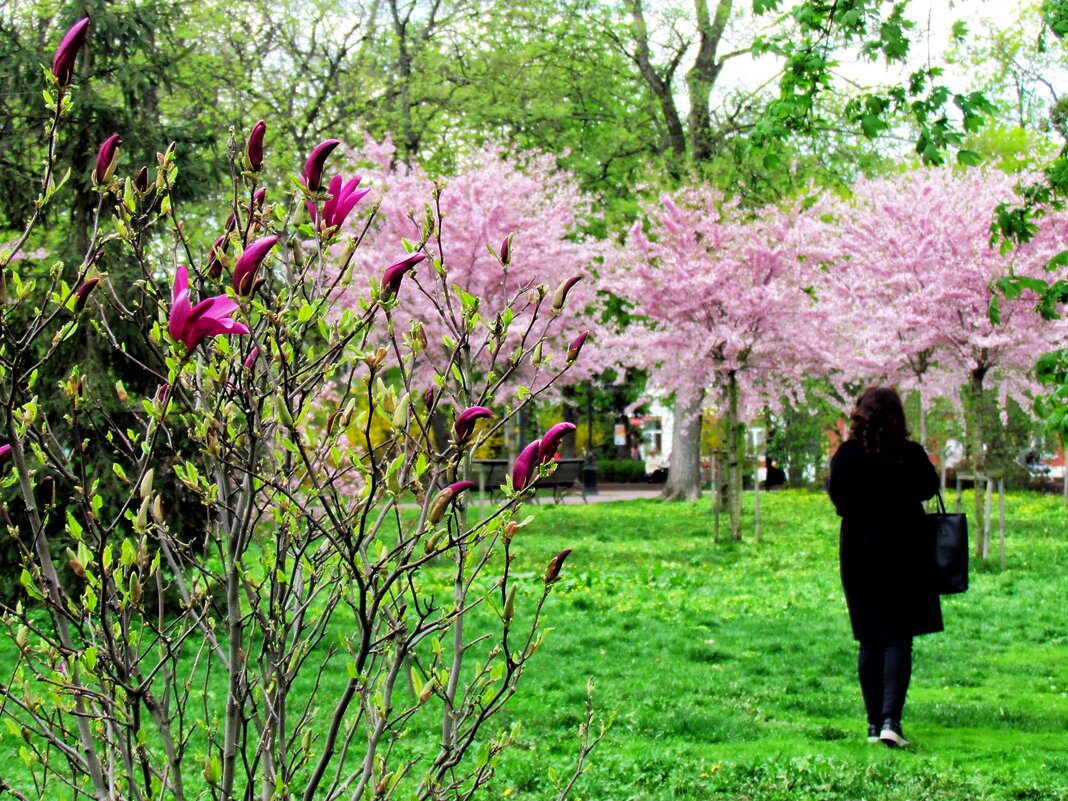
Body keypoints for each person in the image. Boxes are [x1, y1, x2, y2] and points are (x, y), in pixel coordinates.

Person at [827, 386, 942, 748]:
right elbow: (929, 487)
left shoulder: (846, 456)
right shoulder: (909, 454)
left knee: (869, 639)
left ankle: (874, 724)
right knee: (897, 638)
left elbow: (840, 503)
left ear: (860, 416)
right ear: (897, 417)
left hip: (860, 555)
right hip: (905, 553)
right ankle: (892, 719)